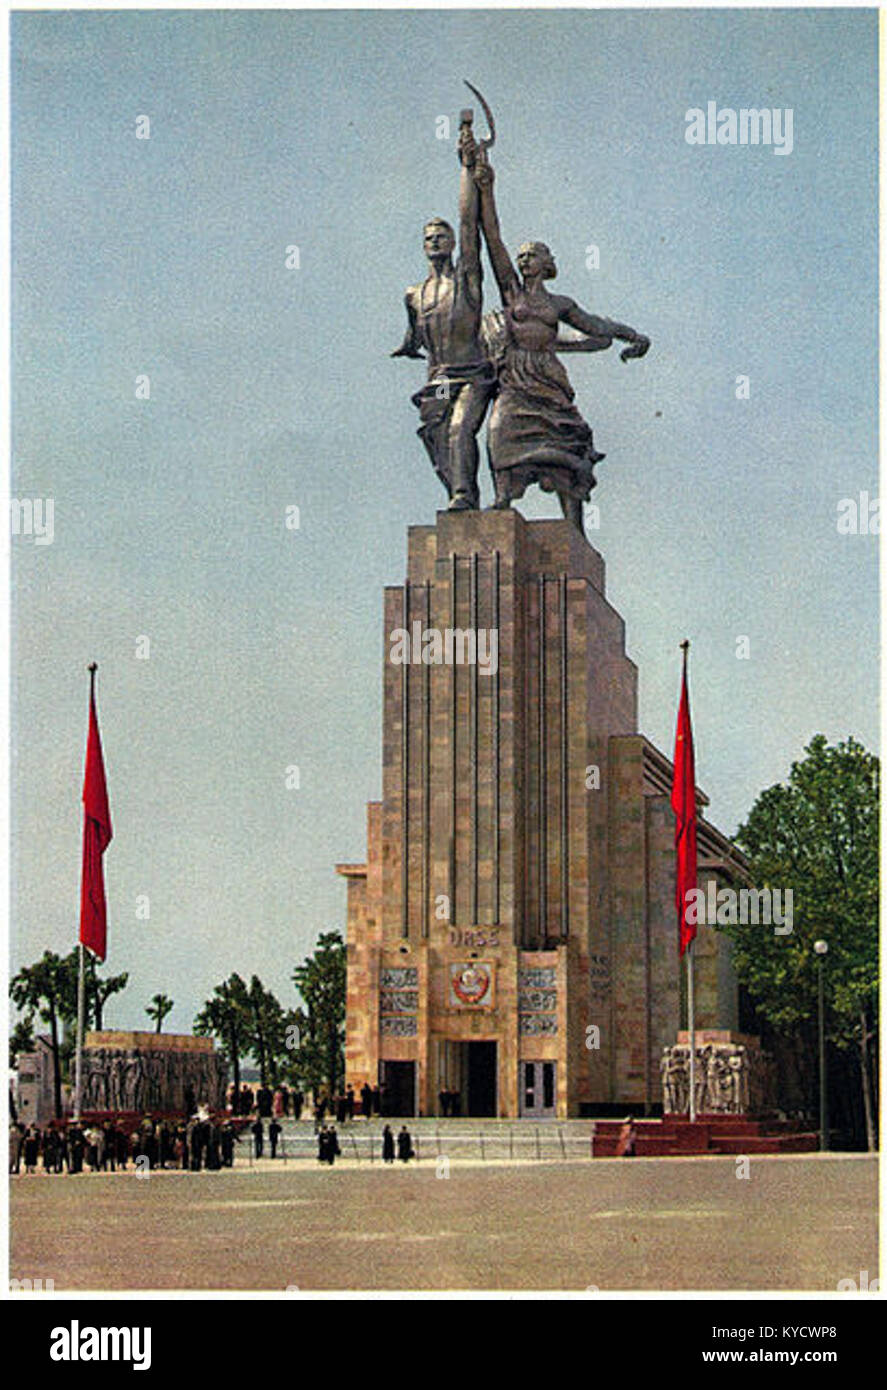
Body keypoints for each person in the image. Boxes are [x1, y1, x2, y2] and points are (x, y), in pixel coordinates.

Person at [472, 157, 649, 535]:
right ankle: (502, 498)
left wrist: (631, 335)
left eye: (532, 253)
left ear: (547, 263)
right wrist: (486, 189)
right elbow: (493, 237)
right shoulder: (511, 291)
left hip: (547, 379)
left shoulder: (559, 304)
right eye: (521, 256)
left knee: (565, 443)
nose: (522, 259)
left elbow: (597, 327)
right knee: (500, 430)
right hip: (515, 379)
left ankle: (574, 528)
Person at [392, 121, 496, 510]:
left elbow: (471, 223)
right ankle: (458, 490)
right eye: (428, 237)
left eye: (442, 235)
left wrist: (467, 167)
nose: (435, 240)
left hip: (472, 375)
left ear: (453, 243)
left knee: (458, 430)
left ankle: (464, 495)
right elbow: (415, 339)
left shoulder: (466, 278)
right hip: (439, 380)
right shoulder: (414, 294)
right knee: (434, 434)